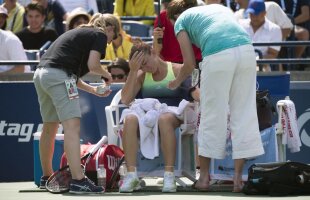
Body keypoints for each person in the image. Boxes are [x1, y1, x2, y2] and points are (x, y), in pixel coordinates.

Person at [166, 0, 264, 192]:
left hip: (218, 55)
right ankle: (238, 179)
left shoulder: (181, 21)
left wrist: (176, 82)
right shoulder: (219, 9)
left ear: (174, 17)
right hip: (246, 51)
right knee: (243, 113)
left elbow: (189, 64)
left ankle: (203, 179)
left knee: (211, 115)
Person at [33, 13, 120, 194]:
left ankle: (46, 177)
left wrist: (94, 90)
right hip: (57, 76)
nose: (109, 43)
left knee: (50, 126)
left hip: (42, 75)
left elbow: (72, 78)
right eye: (114, 37)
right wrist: (107, 74)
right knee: (72, 127)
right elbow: (94, 65)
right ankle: (79, 180)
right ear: (110, 29)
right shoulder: (100, 34)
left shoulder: (81, 35)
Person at [119, 41, 192, 193]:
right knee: (130, 119)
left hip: (173, 114)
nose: (145, 68)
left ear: (153, 52)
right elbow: (125, 100)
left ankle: (169, 175)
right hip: (148, 117)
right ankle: (132, 175)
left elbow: (192, 93)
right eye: (141, 67)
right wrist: (133, 71)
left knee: (164, 119)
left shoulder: (177, 69)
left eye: (145, 63)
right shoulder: (141, 75)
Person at [239, 0, 282, 72]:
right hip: (241, 63)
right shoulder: (240, 25)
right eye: (251, 14)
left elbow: (273, 54)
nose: (253, 17)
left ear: (264, 13)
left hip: (262, 65)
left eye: (256, 14)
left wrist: (257, 60)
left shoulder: (275, 29)